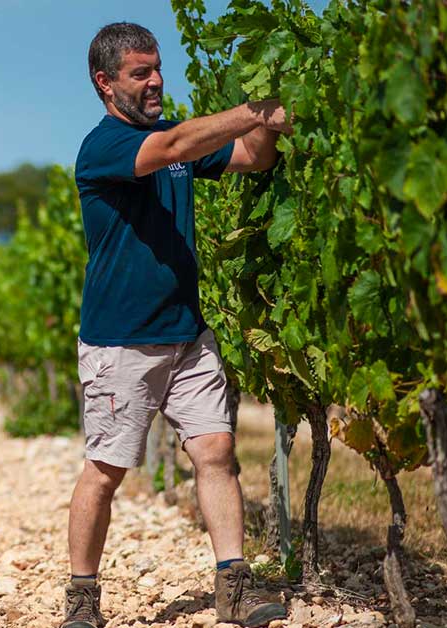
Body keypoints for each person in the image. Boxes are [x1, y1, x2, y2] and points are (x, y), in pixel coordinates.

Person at [62, 22, 291, 628]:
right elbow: (170, 151)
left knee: (216, 452)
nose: (158, 80)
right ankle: (82, 599)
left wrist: (264, 127)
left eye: (158, 67)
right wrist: (251, 108)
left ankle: (234, 586)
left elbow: (248, 157)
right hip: (121, 342)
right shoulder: (105, 146)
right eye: (142, 72)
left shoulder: (176, 139)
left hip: (188, 335)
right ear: (105, 83)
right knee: (106, 472)